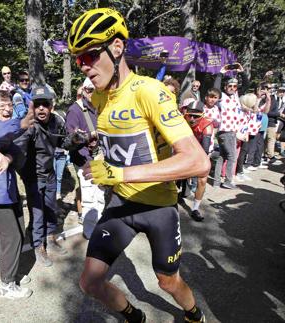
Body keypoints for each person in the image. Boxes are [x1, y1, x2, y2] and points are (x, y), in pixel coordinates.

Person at [68, 8, 210, 323]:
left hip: (158, 206)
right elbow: (121, 145)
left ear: (117, 47)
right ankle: (134, 316)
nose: (85, 68)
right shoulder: (100, 98)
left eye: (90, 55)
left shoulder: (149, 91)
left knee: (167, 282)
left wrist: (120, 172)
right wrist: (101, 157)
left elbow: (199, 161)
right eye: (79, 61)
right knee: (89, 282)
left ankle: (193, 313)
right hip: (121, 204)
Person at [0, 90, 34, 299]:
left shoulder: (7, 129)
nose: (7, 109)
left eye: (9, 105)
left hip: (9, 190)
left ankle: (11, 271)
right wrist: (21, 123)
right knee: (10, 236)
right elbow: (0, 135)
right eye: (1, 106)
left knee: (19, 232)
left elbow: (20, 155)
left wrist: (9, 157)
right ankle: (7, 284)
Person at [14, 85, 70, 267]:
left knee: (51, 208)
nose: (41, 109)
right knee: (38, 215)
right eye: (37, 104)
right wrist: (25, 174)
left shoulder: (56, 121)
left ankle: (51, 239)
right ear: (32, 106)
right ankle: (39, 247)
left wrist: (76, 140)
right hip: (34, 178)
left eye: (45, 104)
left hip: (50, 173)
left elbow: (65, 142)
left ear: (51, 106)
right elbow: (16, 148)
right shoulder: (29, 126)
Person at [64, 78, 104, 238]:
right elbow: (69, 140)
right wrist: (88, 137)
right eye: (89, 90)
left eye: (96, 90)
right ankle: (89, 232)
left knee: (100, 195)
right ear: (84, 90)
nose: (92, 93)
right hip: (84, 160)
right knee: (88, 197)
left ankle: (99, 227)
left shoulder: (100, 106)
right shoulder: (75, 110)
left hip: (100, 158)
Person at [212, 64, 249, 189]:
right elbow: (215, 88)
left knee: (222, 156)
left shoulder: (236, 96)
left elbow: (245, 86)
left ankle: (216, 181)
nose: (233, 88)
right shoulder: (221, 96)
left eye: (234, 86)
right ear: (225, 87)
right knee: (232, 157)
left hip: (231, 131)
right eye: (230, 86)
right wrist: (221, 73)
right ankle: (228, 181)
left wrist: (242, 72)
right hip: (226, 131)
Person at [183, 100, 214, 221]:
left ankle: (195, 208)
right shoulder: (183, 120)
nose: (191, 119)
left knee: (202, 179)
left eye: (196, 116)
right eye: (189, 115)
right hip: (187, 147)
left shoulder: (207, 125)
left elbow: (204, 150)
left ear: (202, 115)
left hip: (202, 151)